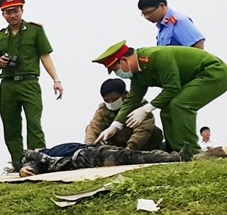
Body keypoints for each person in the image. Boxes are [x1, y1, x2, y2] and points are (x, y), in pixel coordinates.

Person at [95, 41, 227, 160]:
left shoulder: (157, 57)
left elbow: (172, 88)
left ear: (124, 60)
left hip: (213, 73)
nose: (117, 74)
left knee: (180, 105)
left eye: (116, 69)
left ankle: (193, 151)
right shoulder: (138, 74)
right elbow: (132, 99)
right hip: (194, 79)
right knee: (166, 111)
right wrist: (115, 125)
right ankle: (177, 151)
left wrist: (147, 108)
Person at [0, 0, 63, 170]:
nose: (12, 15)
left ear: (22, 10)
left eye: (15, 11)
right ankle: (19, 163)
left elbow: (45, 55)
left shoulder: (34, 30)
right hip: (7, 84)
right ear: (3, 15)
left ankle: (37, 160)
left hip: (29, 82)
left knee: (34, 123)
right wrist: (1, 63)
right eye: (8, 12)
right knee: (10, 125)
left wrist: (56, 79)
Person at [17, 142, 180, 177]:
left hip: (89, 151)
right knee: (129, 157)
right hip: (85, 157)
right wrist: (25, 168)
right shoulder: (37, 157)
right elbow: (30, 167)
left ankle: (170, 155)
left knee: (129, 155)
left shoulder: (48, 151)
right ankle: (172, 158)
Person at [85, 77, 162, 150]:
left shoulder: (139, 104)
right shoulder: (103, 110)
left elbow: (143, 129)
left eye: (114, 99)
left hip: (143, 144)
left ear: (124, 94)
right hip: (119, 144)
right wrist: (88, 147)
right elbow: (93, 127)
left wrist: (130, 148)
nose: (111, 103)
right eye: (107, 100)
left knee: (154, 131)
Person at [138, 0, 206, 50]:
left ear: (162, 6)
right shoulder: (163, 26)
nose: (147, 17)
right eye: (144, 14)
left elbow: (198, 43)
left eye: (149, 12)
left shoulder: (178, 21)